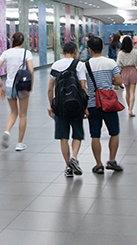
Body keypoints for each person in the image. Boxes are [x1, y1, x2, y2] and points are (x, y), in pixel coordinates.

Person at [84, 35, 124, 174]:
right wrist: (110, 82)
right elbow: (119, 81)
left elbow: (83, 86)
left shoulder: (85, 65)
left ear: (89, 50)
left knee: (95, 135)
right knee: (114, 132)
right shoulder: (110, 62)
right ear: (102, 47)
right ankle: (111, 161)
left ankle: (98, 164)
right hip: (109, 103)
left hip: (92, 104)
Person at [47, 41, 87, 177]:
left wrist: (52, 106)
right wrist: (85, 106)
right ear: (75, 52)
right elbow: (83, 87)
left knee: (63, 137)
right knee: (77, 134)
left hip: (60, 106)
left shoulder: (56, 65)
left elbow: (50, 88)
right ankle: (74, 158)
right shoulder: (79, 65)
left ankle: (68, 167)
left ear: (63, 52)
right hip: (76, 105)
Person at [0, 32, 34, 151]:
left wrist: (1, 85)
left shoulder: (6, 53)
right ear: (22, 42)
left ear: (12, 41)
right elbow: (31, 71)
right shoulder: (27, 53)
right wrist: (30, 87)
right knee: (23, 114)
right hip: (22, 86)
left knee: (13, 112)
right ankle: (19, 143)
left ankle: (7, 131)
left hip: (10, 86)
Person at [116, 36, 137, 117]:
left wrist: (118, 74)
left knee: (127, 92)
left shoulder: (120, 53)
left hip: (124, 71)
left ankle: (128, 108)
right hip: (133, 70)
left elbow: (118, 64)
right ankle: (131, 109)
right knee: (132, 92)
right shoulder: (135, 52)